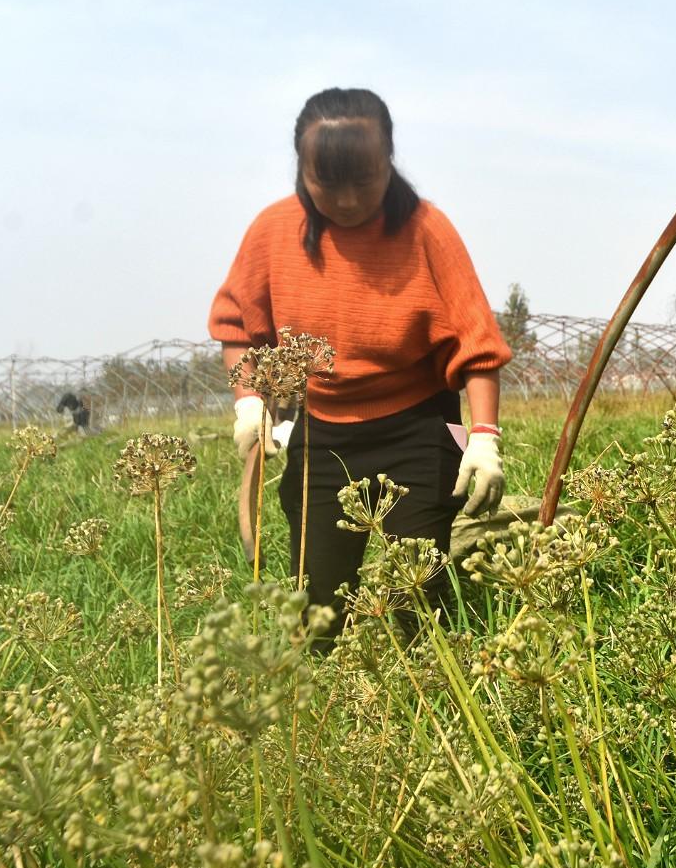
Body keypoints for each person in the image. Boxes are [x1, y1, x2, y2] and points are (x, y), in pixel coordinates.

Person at [209, 87, 511, 643]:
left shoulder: (427, 230)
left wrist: (484, 437)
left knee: (418, 589)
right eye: (327, 183)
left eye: (364, 179)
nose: (347, 200)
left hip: (425, 424)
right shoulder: (273, 232)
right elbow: (236, 324)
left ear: (389, 160)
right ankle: (332, 702)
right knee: (318, 604)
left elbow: (478, 344)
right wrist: (249, 401)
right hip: (321, 429)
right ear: (302, 169)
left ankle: (433, 688)